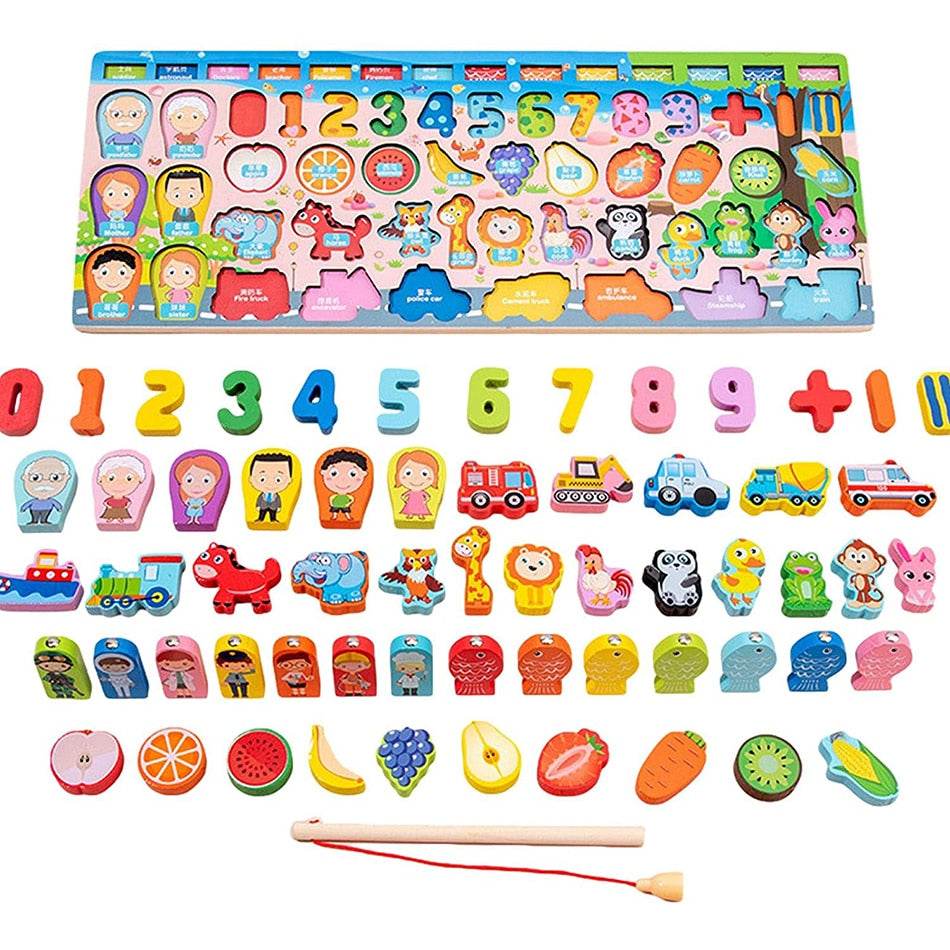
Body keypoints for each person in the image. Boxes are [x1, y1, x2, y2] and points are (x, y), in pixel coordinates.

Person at [19, 455, 72, 526]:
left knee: (45, 516)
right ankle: (34, 521)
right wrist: (23, 508)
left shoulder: (51, 501)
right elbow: (28, 503)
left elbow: (56, 504)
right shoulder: (34, 501)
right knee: (34, 517)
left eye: (55, 477)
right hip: (35, 508)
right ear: (24, 478)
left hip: (47, 508)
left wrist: (59, 508)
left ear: (66, 478)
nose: (45, 482)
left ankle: (44, 521)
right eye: (35, 478)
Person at [320, 449, 369, 522]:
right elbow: (331, 498)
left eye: (353, 474)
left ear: (363, 474)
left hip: (344, 505)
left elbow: (351, 499)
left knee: (346, 511)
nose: (343, 479)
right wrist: (331, 503)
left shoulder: (348, 496)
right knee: (335, 511)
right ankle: (335, 517)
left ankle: (348, 518)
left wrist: (349, 503)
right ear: (323, 472)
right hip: (336, 505)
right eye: (333, 473)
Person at [96, 453, 146, 523]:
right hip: (111, 508)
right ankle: (110, 519)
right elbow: (106, 502)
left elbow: (128, 503)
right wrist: (108, 506)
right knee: (110, 514)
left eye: (129, 478)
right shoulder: (110, 499)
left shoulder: (125, 499)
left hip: (121, 509)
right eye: (111, 478)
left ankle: (120, 518)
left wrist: (126, 506)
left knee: (121, 513)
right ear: (101, 480)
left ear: (139, 480)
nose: (120, 484)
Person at [248, 452, 293, 523]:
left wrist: (279, 507)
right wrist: (257, 506)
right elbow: (259, 499)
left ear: (289, 480)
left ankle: (273, 520)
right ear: (251, 479)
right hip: (263, 506)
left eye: (278, 480)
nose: (270, 484)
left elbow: (278, 500)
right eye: (262, 479)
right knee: (262, 513)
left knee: (273, 514)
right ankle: (260, 519)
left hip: (273, 506)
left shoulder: (276, 496)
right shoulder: (262, 495)